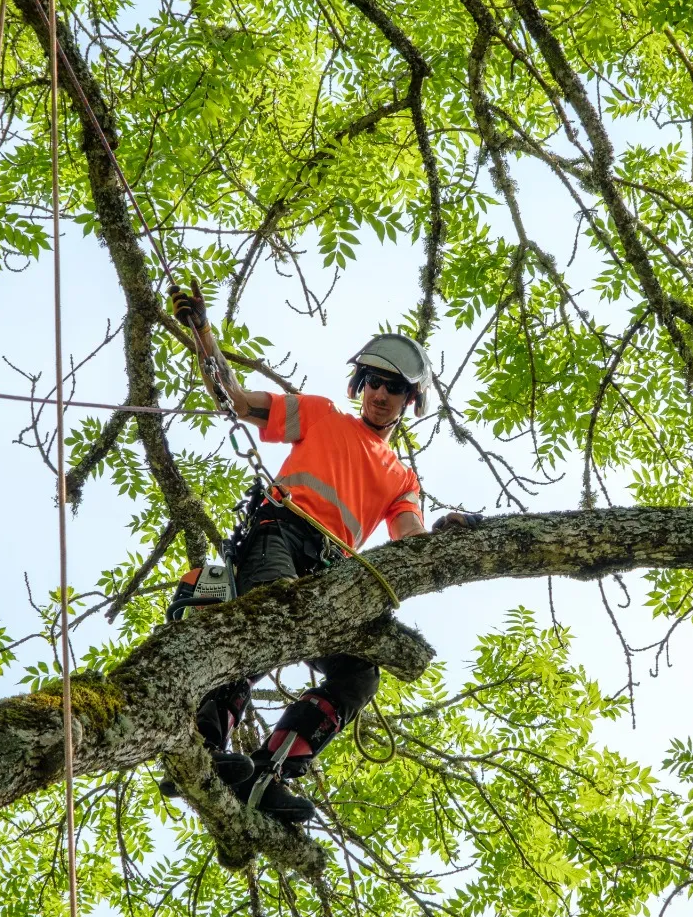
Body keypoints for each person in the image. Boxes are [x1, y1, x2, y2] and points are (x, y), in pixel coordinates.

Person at [165, 285, 481, 823]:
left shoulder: (403, 478)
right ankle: (206, 747)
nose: (381, 394)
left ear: (409, 401)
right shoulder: (321, 415)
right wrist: (203, 334)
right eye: (374, 382)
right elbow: (236, 400)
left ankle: (268, 776)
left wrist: (452, 534)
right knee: (270, 613)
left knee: (360, 675)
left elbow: (411, 544)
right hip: (281, 533)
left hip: (334, 570)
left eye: (395, 388)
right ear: (360, 386)